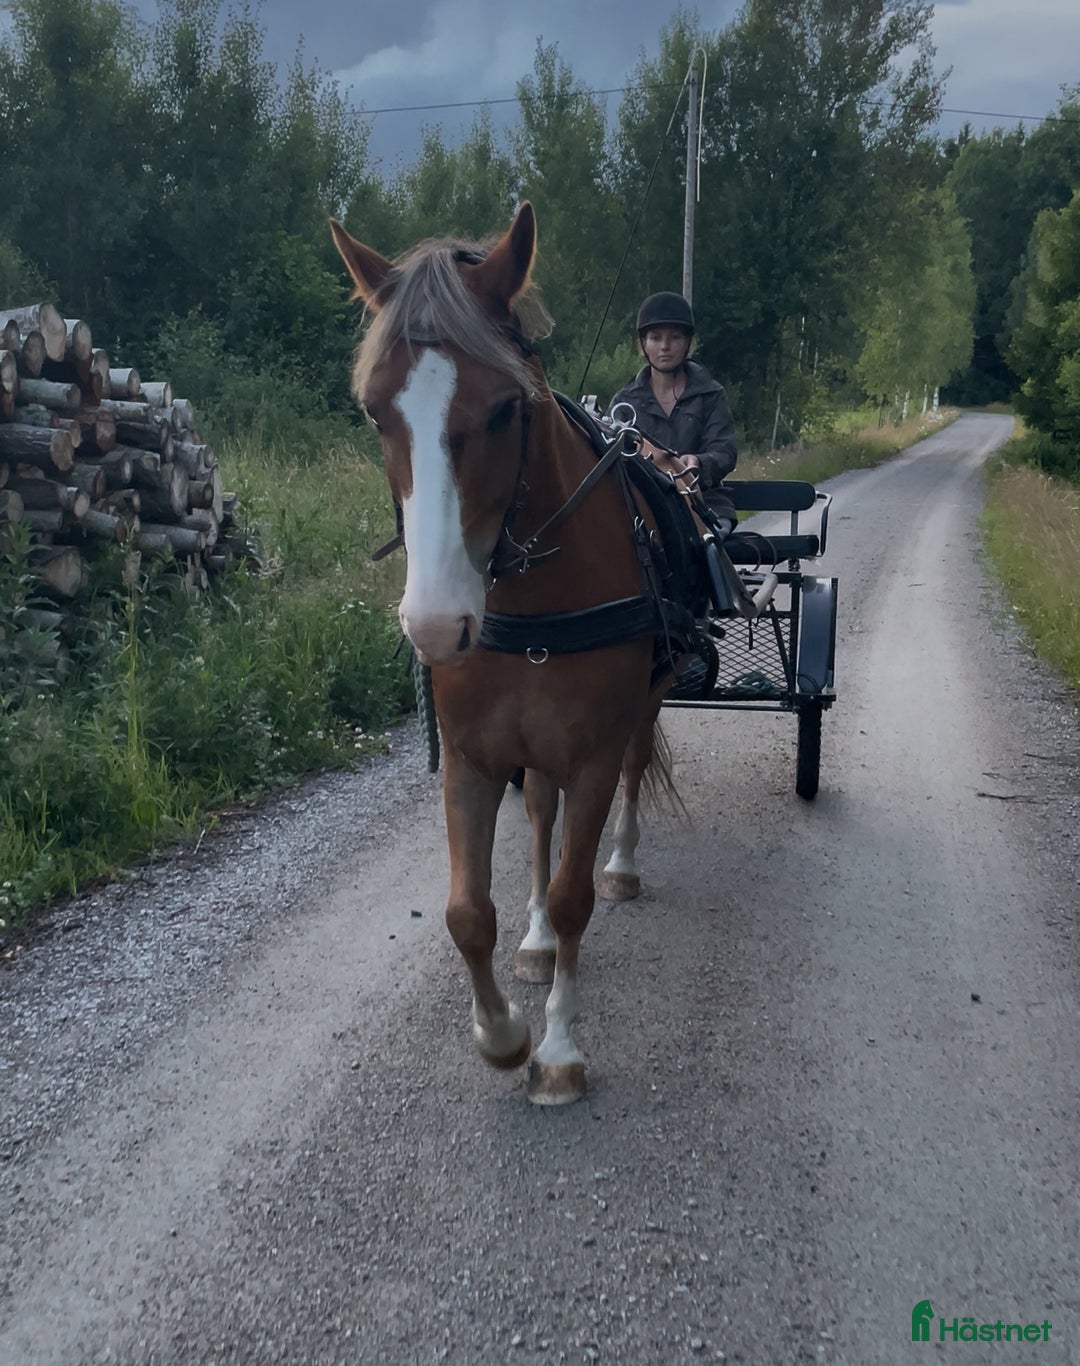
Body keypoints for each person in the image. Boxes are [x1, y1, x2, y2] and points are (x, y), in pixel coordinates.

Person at [609, 291, 738, 534]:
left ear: (688, 342)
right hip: (643, 507)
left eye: (675, 337)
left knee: (708, 547)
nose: (665, 347)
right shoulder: (624, 403)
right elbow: (610, 461)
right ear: (643, 344)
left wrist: (698, 462)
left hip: (706, 504)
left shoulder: (710, 394)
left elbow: (725, 451)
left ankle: (718, 572)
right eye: (655, 338)